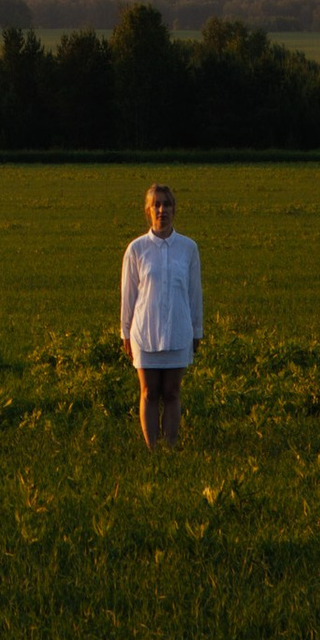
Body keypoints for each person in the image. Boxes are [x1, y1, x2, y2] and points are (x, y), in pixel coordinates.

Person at [120, 180, 202, 448]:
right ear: (148, 210)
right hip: (145, 331)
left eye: (166, 204)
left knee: (172, 392)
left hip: (179, 330)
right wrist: (125, 333)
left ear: (174, 209)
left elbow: (194, 293)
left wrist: (196, 331)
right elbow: (128, 295)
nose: (162, 210)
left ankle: (171, 446)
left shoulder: (188, 248)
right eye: (156, 204)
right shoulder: (136, 249)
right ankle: (152, 448)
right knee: (149, 391)